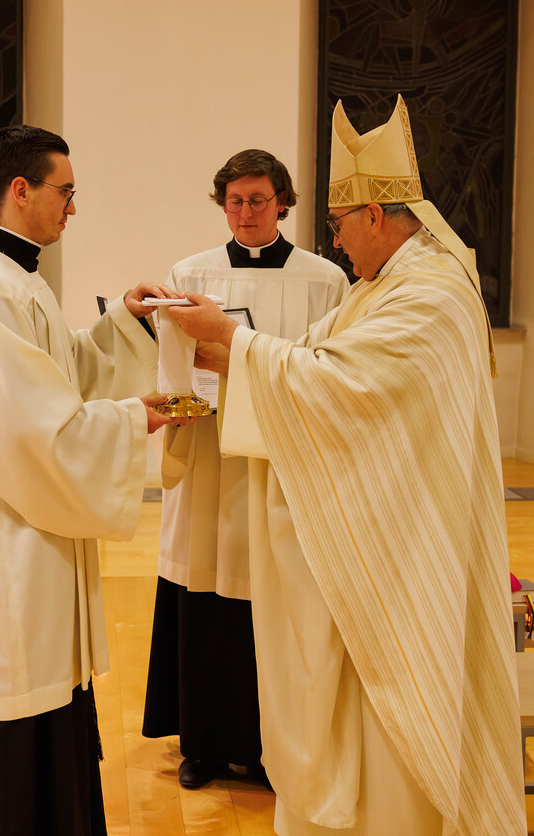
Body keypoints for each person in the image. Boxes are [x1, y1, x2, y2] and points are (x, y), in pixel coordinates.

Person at [170, 97, 523, 836]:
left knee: (392, 708)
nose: (334, 242)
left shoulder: (429, 292)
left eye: (337, 225)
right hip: (375, 529)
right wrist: (222, 349)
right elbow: (311, 357)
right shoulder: (385, 285)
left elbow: (339, 385)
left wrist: (232, 343)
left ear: (374, 214)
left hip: (401, 548)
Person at [0, 124, 188, 836]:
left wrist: (124, 323)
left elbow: (55, 377)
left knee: (41, 692)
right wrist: (131, 419)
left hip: (31, 534)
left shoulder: (16, 276)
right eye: (64, 192)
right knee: (18, 691)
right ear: (21, 189)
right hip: (10, 539)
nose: (73, 207)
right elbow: (31, 432)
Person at [142, 148, 348, 790]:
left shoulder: (324, 280)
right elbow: (171, 366)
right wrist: (180, 411)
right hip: (209, 458)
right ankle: (202, 744)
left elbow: (328, 368)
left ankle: (269, 749)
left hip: (282, 461)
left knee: (275, 602)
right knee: (205, 593)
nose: (245, 212)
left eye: (258, 200)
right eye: (234, 201)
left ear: (283, 202)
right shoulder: (190, 273)